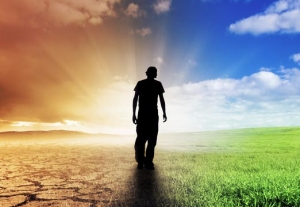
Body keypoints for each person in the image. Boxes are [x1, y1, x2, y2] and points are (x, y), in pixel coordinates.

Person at [132, 66, 167, 170]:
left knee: (145, 139)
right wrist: (134, 114)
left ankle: (144, 162)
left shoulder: (145, 83)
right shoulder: (154, 84)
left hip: (146, 114)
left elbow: (161, 99)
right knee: (147, 139)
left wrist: (134, 114)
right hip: (148, 114)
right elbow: (135, 99)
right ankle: (145, 162)